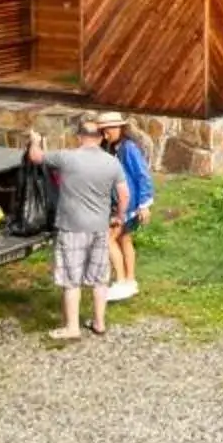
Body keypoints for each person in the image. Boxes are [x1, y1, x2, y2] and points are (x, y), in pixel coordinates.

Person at [27, 117, 128, 340]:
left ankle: (72, 328)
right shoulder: (112, 162)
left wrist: (35, 141)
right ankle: (99, 323)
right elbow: (124, 194)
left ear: (79, 137)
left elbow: (36, 158)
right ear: (101, 138)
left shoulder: (67, 158)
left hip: (71, 227)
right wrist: (118, 216)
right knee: (99, 279)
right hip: (99, 228)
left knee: (71, 279)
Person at [106, 113, 154, 302]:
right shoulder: (116, 148)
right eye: (103, 130)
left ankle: (120, 282)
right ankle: (130, 280)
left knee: (108, 240)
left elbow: (142, 175)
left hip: (129, 205)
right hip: (126, 203)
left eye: (109, 129)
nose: (106, 133)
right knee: (124, 239)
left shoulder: (128, 149)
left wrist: (144, 204)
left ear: (119, 128)